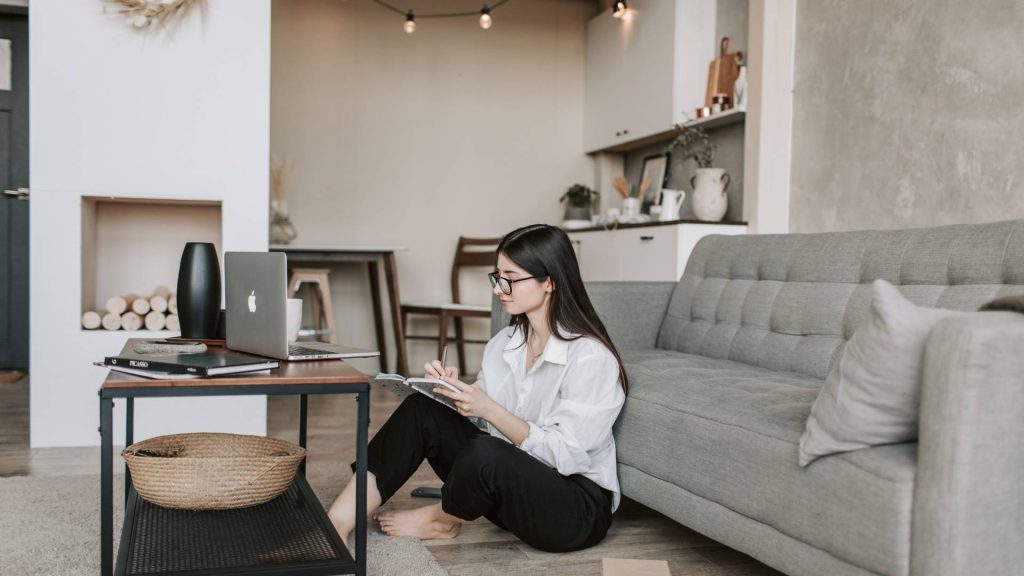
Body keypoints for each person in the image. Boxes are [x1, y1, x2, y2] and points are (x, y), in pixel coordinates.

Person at [327, 223, 629, 553]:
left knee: (488, 452)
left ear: (549, 282)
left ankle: (441, 518)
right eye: (497, 277)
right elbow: (481, 420)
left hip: (574, 511)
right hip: (512, 491)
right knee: (422, 410)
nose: (499, 288)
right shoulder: (505, 343)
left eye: (511, 278)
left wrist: (490, 410)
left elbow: (567, 456)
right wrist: (452, 393)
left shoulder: (590, 358)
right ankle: (337, 523)